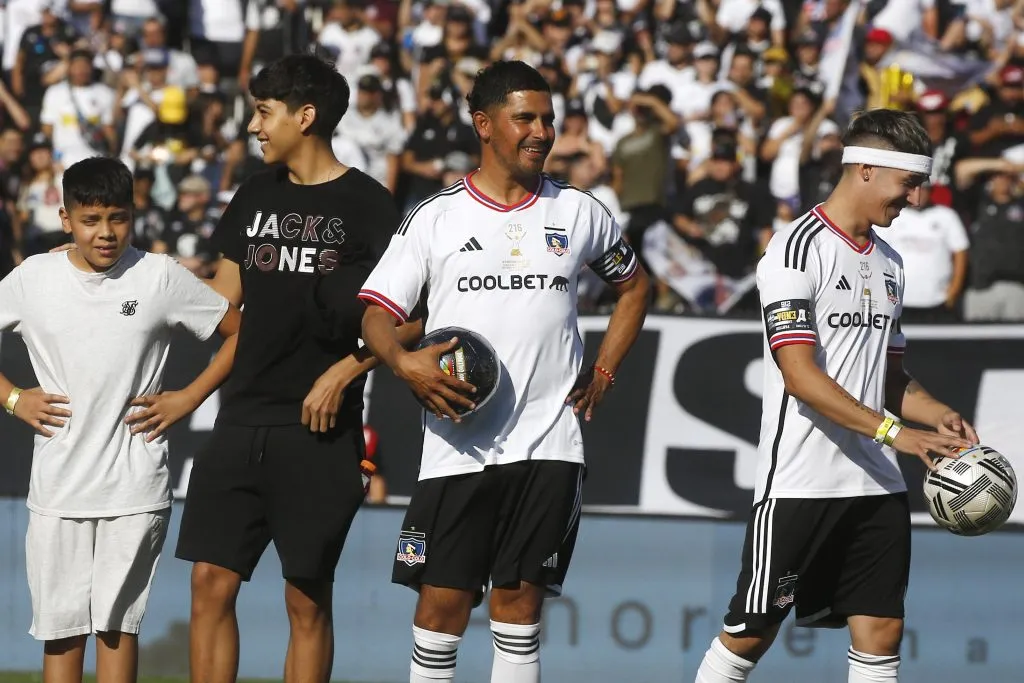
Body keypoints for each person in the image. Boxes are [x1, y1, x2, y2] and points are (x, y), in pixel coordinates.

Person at [359, 60, 651, 683]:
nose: (542, 132)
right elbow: (377, 315)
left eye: (548, 119)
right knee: (440, 612)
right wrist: (403, 363)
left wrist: (604, 369)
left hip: (551, 443)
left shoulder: (580, 211)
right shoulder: (436, 216)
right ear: (484, 124)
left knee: (519, 613)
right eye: (525, 119)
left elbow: (634, 287)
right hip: (458, 448)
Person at [693, 109, 978, 683]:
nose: (915, 199)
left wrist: (938, 414)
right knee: (751, 633)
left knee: (881, 633)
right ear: (866, 169)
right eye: (909, 184)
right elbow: (799, 376)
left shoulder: (891, 262)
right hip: (801, 482)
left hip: (876, 484)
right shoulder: (795, 248)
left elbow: (890, 376)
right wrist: (897, 433)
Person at [173, 53, 420, 683]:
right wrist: (142, 275)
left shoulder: (370, 204)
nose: (253, 126)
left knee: (305, 599)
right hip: (240, 419)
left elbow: (413, 318)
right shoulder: (253, 194)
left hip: (321, 432)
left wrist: (345, 371)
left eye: (263, 112)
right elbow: (223, 303)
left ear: (305, 116)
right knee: (209, 582)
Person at [0, 156, 239, 683]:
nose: (105, 233)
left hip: (135, 487)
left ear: (134, 215)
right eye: (90, 220)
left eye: (118, 218)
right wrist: (14, 398)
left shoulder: (160, 275)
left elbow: (240, 333)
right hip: (58, 486)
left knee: (116, 630)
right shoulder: (34, 277)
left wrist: (188, 398)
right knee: (62, 634)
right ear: (65, 218)